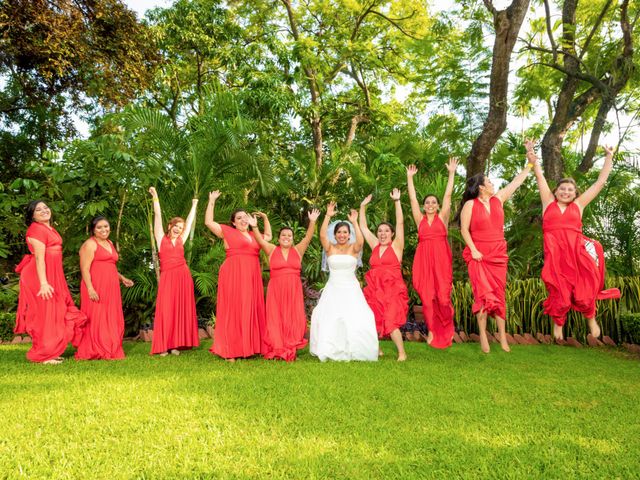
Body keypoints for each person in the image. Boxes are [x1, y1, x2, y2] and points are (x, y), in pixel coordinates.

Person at [526, 140, 620, 342]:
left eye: (570, 190)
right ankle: (558, 325)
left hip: (577, 253)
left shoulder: (579, 205)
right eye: (562, 189)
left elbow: (599, 183)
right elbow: (539, 176)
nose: (566, 192)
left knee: (583, 290)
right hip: (555, 256)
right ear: (556, 191)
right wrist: (530, 153)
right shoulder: (548, 203)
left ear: (575, 193)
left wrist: (608, 157)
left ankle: (590, 317)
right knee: (558, 291)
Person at [459, 158, 535, 353]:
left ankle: (502, 337)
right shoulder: (470, 205)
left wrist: (529, 164)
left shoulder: (498, 199)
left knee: (499, 295)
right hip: (478, 255)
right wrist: (474, 249)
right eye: (490, 182)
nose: (493, 184)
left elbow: (516, 183)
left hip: (498, 254)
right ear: (481, 187)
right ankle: (483, 335)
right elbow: (464, 230)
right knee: (483, 296)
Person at [14, 200, 87, 364]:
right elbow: (40, 258)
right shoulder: (36, 229)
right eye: (38, 210)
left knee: (56, 312)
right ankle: (44, 354)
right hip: (39, 276)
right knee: (46, 314)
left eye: (45, 207)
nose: (44, 210)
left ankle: (51, 351)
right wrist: (44, 283)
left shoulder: (49, 228)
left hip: (53, 275)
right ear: (32, 216)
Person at [204, 191, 270, 361]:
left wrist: (265, 219)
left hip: (251, 276)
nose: (243, 220)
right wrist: (211, 201)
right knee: (233, 310)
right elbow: (209, 222)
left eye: (245, 217)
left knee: (250, 308)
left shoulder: (255, 235)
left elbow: (268, 237)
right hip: (233, 274)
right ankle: (229, 349)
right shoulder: (227, 231)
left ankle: (250, 346)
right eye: (239, 218)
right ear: (233, 222)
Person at [310, 202, 378, 362]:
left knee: (356, 317)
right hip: (333, 288)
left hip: (351, 289)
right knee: (330, 316)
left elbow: (361, 242)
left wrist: (354, 221)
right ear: (335, 234)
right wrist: (327, 215)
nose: (342, 235)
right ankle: (329, 347)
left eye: (345, 232)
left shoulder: (354, 248)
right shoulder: (330, 248)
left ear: (349, 234)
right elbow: (321, 236)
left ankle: (356, 348)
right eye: (339, 232)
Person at [250, 209, 321, 361]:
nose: (286, 237)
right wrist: (255, 226)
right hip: (276, 290)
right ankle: (277, 347)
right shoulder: (271, 250)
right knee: (276, 317)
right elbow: (261, 241)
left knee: (293, 318)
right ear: (279, 237)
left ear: (293, 238)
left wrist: (313, 221)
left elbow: (308, 238)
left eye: (289, 235)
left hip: (293, 290)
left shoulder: (298, 250)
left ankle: (290, 347)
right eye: (283, 235)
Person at [407, 158, 457, 349]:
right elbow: (412, 199)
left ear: (437, 206)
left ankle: (447, 328)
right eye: (427, 202)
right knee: (427, 299)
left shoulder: (442, 218)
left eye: (433, 202)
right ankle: (432, 331)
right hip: (423, 261)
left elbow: (448, 196)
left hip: (441, 261)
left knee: (443, 298)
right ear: (423, 205)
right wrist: (410, 178)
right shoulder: (419, 218)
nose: (430, 204)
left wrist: (451, 172)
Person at [149, 187, 200, 356]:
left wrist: (194, 205)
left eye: (181, 227)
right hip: (167, 277)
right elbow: (157, 216)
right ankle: (163, 345)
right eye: (176, 226)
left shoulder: (181, 240)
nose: (179, 229)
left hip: (183, 276)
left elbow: (191, 221)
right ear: (170, 226)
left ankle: (175, 345)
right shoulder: (160, 238)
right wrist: (155, 197)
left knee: (179, 309)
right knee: (166, 309)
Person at [359, 189, 409, 361]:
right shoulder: (374, 246)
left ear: (392, 233)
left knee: (390, 319)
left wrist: (397, 201)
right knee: (374, 317)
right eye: (380, 231)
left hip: (392, 289)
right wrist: (362, 207)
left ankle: (402, 352)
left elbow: (400, 223)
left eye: (386, 231)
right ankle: (378, 349)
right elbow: (364, 227)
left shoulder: (396, 246)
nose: (382, 234)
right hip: (375, 289)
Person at [75, 216, 133, 360]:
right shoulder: (90, 244)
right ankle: (95, 349)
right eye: (99, 227)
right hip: (95, 285)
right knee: (96, 316)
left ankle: (110, 346)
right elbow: (85, 269)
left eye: (106, 226)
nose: (103, 230)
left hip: (111, 286)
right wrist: (90, 288)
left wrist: (122, 278)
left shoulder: (110, 243)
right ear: (93, 230)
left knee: (110, 316)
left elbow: (110, 266)